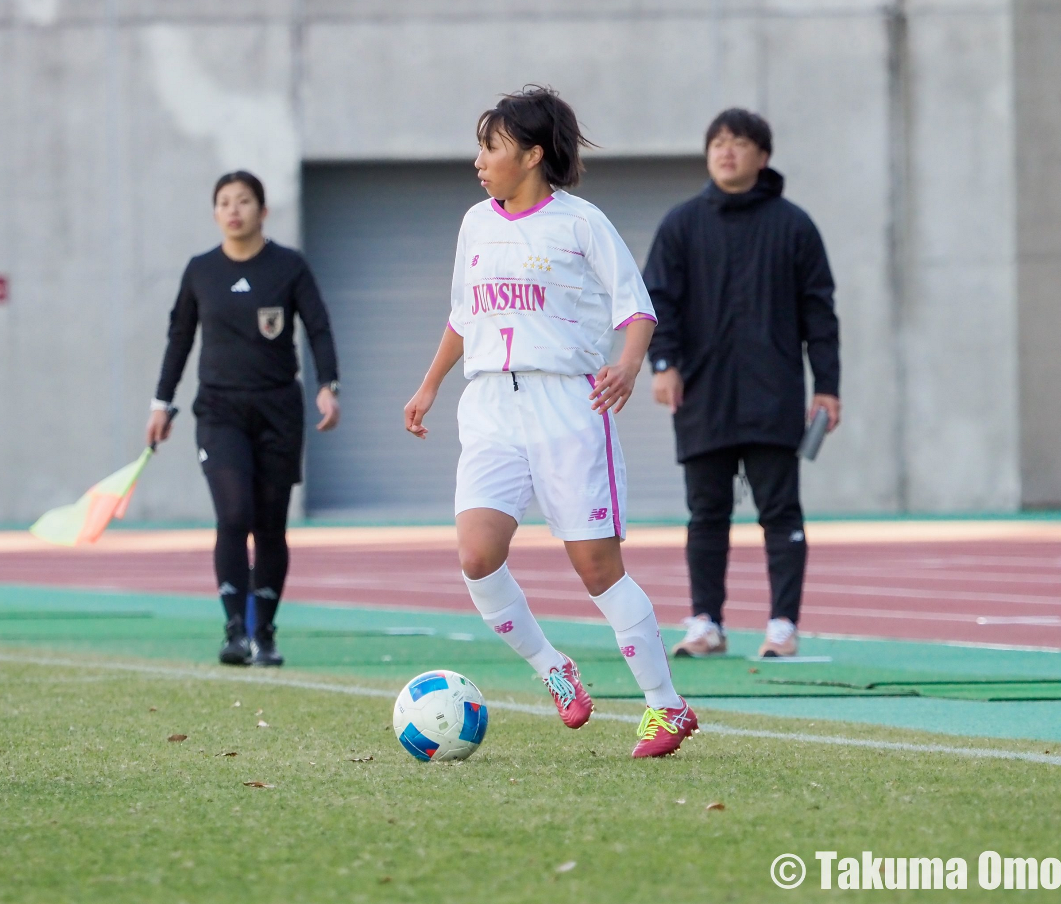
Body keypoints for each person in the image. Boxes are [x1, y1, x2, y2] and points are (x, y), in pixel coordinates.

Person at [404, 86, 698, 758]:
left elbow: (637, 308)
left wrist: (628, 365)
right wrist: (429, 384)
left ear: (533, 154)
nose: (480, 161)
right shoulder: (474, 224)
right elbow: (463, 316)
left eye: (492, 146)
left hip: (566, 406)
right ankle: (553, 667)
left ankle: (667, 706)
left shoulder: (581, 223)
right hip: (489, 405)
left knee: (597, 569)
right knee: (477, 556)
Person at [643, 108, 840, 659]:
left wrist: (827, 386)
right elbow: (657, 302)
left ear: (763, 155)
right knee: (706, 514)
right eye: (718, 143)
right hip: (701, 394)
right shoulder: (681, 225)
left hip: (773, 395)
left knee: (781, 513)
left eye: (739, 142)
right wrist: (663, 364)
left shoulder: (794, 226)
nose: (726, 151)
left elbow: (820, 314)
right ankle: (706, 622)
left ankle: (783, 626)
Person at [147, 171, 340, 667]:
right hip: (219, 410)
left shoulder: (289, 266)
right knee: (234, 514)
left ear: (263, 210)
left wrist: (328, 386)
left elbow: (318, 327)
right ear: (215, 213)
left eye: (244, 201)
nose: (234, 210)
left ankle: (264, 634)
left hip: (278, 410)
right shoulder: (201, 270)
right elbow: (179, 338)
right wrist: (161, 403)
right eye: (224, 202)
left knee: (270, 524)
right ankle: (235, 630)